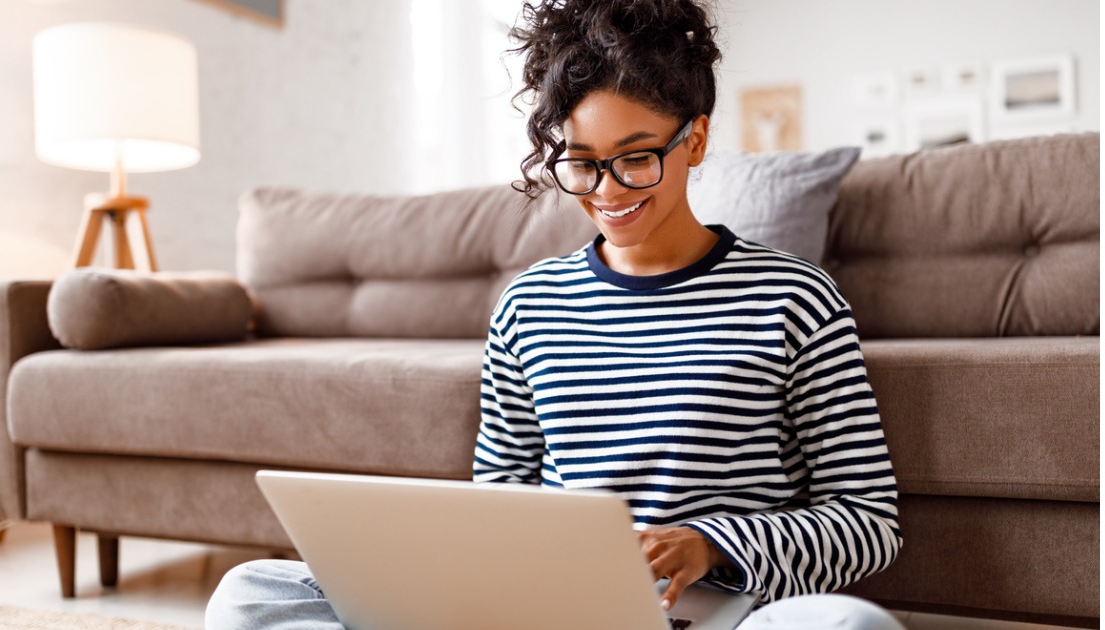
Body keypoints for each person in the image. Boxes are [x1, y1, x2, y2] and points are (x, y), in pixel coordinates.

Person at [205, 1, 903, 628]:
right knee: (250, 593)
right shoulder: (529, 304)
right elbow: (497, 499)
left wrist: (711, 543)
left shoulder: (795, 297)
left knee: (851, 629)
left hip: (722, 612)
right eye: (581, 163)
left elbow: (868, 521)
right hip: (554, 611)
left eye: (636, 159)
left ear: (693, 140)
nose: (607, 191)